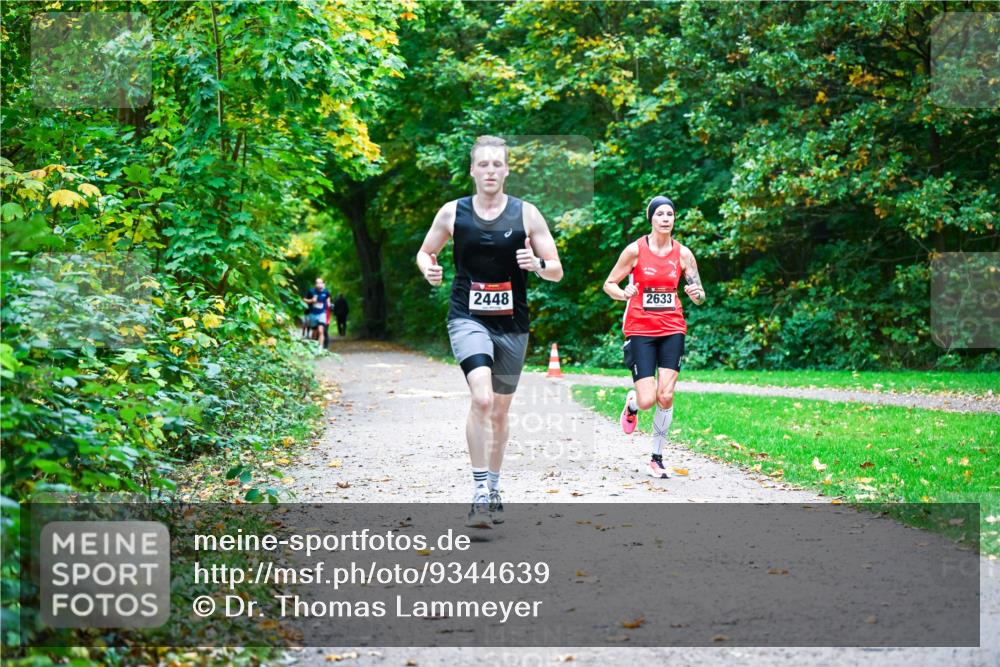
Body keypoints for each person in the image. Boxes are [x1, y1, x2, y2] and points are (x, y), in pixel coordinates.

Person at [416, 135, 563, 527]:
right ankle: (479, 492)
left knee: (499, 411)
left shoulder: (527, 214)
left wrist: (536, 264)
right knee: (481, 399)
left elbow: (556, 270)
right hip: (467, 317)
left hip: (513, 324)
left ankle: (494, 488)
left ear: (507, 169)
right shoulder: (452, 213)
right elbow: (425, 250)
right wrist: (428, 268)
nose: (491, 171)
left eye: (498, 164)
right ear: (472, 170)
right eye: (484, 164)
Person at [602, 196, 706, 478]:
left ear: (674, 219)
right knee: (647, 400)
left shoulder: (683, 254)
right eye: (659, 213)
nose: (665, 218)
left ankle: (656, 458)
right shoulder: (634, 251)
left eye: (670, 214)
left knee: (666, 394)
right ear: (651, 218)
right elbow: (609, 283)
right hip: (640, 328)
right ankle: (633, 404)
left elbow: (699, 293)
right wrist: (623, 293)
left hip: (673, 326)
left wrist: (696, 294)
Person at [304, 277, 331, 349]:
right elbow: (304, 300)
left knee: (321, 330)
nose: (319, 284)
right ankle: (313, 347)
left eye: (320, 283)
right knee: (314, 332)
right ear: (315, 284)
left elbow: (328, 301)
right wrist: (311, 300)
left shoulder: (326, 292)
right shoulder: (311, 291)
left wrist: (329, 305)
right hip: (313, 314)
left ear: (323, 284)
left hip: (322, 313)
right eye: (317, 283)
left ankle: (320, 347)